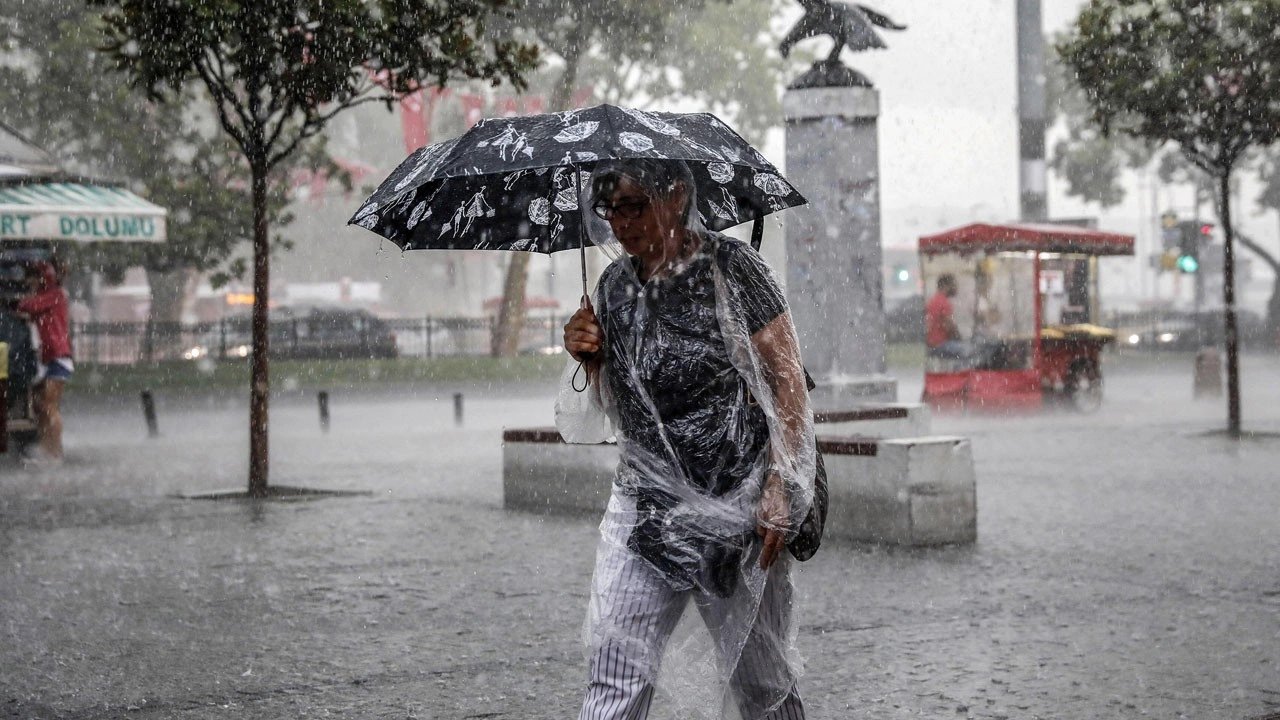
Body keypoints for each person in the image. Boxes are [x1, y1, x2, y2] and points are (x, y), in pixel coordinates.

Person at [559, 159, 815, 720]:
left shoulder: (732, 269)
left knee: (762, 683)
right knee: (615, 669)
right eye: (609, 209)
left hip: (736, 513)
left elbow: (787, 379)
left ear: (676, 195)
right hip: (645, 512)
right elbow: (613, 411)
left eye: (633, 205)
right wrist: (587, 357)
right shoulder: (612, 288)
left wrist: (782, 483)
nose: (620, 224)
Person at [14, 260, 73, 462]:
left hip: (58, 356)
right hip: (49, 357)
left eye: (31, 279)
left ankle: (55, 452)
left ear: (41, 278)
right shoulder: (50, 295)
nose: (29, 284)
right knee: (40, 405)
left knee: (49, 406)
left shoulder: (54, 295)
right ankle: (46, 447)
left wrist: (22, 302)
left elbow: (28, 305)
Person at [925, 273, 968, 360]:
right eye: (954, 285)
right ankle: (961, 373)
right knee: (970, 351)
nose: (956, 288)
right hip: (941, 345)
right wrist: (960, 337)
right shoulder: (944, 303)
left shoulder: (933, 300)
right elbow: (950, 326)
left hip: (931, 345)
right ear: (946, 286)